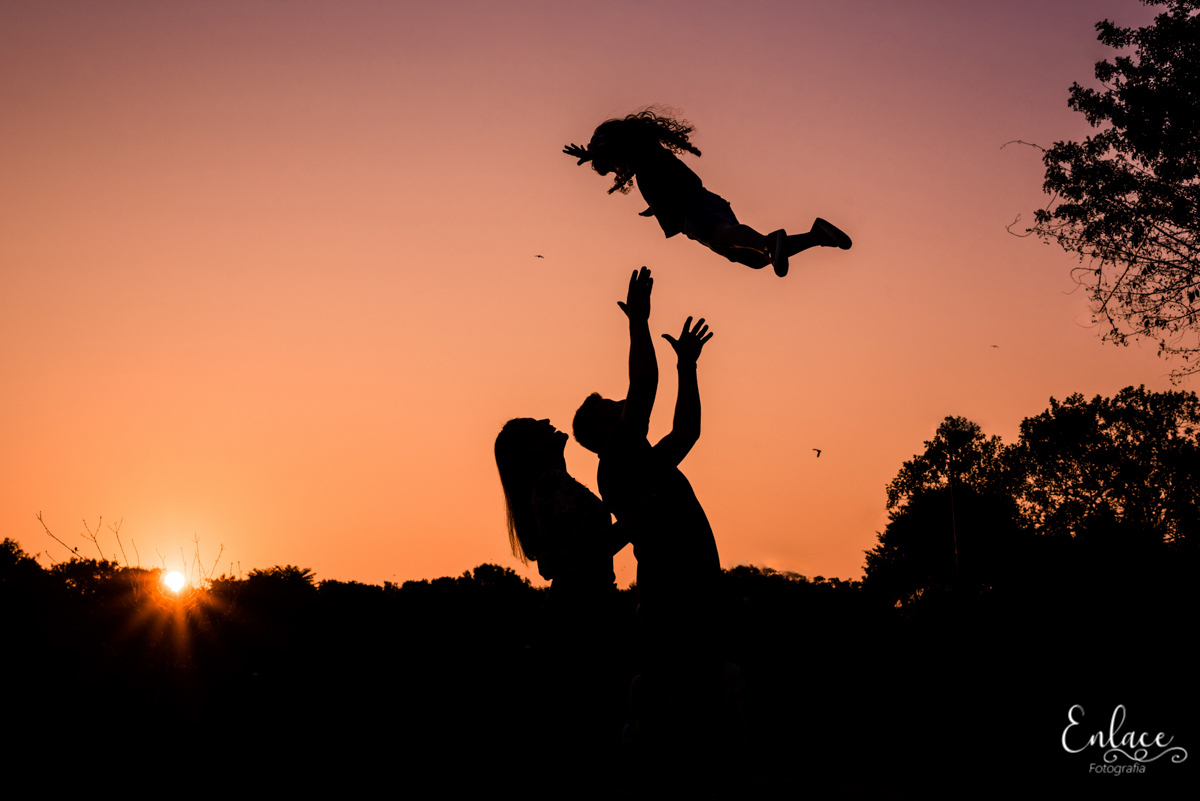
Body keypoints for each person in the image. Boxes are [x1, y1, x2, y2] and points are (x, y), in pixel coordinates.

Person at [572, 268, 737, 785]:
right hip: (673, 589)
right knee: (676, 689)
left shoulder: (638, 460)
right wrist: (639, 324)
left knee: (690, 685)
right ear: (601, 430)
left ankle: (673, 769)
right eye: (606, 408)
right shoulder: (618, 459)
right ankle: (652, 772)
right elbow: (643, 385)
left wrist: (687, 366)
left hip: (688, 583)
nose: (617, 404)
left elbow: (687, 430)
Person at [494, 417, 629, 790]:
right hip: (585, 607)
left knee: (581, 719)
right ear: (530, 448)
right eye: (537, 426)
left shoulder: (550, 486)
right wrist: (641, 516)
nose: (547, 420)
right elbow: (589, 548)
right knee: (595, 716)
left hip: (577, 605)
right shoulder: (551, 485)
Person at [564, 108, 852, 277]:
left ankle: (769, 241)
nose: (617, 170)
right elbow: (657, 175)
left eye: (613, 164)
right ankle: (817, 236)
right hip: (706, 202)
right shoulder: (649, 159)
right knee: (753, 260)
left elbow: (623, 152)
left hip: (692, 211)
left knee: (724, 236)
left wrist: (593, 153)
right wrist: (656, 206)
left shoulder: (643, 154)